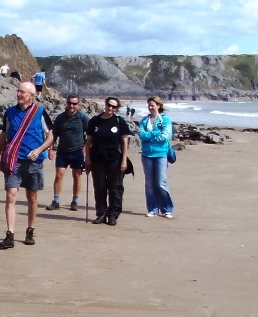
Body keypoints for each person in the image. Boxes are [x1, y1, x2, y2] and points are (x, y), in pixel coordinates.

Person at [0, 82, 54, 249]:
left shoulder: (40, 112)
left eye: (22, 92)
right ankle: (10, 234)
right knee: (11, 195)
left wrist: (40, 149)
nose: (19, 94)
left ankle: (30, 230)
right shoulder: (10, 113)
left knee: (32, 198)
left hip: (34, 162)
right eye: (18, 91)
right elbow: (4, 135)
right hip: (14, 160)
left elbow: (50, 137)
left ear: (31, 96)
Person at [84, 96, 130, 226]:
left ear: (117, 109)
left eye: (114, 107)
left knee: (115, 187)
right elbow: (88, 141)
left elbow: (125, 141)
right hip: (97, 158)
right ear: (105, 105)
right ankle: (101, 213)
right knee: (99, 186)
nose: (110, 108)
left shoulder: (119, 121)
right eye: (109, 105)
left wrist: (124, 161)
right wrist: (87, 158)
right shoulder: (95, 121)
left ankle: (113, 214)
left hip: (115, 159)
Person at [46, 94, 89, 212]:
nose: (72, 106)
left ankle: (75, 200)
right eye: (70, 103)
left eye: (74, 104)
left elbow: (90, 135)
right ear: (67, 103)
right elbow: (53, 135)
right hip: (62, 151)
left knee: (77, 176)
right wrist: (50, 149)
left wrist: (85, 149)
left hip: (77, 151)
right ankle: (56, 200)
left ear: (78, 105)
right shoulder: (60, 118)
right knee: (59, 175)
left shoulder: (82, 117)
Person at [137, 96, 175, 218]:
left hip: (161, 155)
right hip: (146, 154)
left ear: (158, 106)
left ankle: (166, 209)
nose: (150, 107)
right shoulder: (144, 120)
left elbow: (165, 135)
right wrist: (154, 134)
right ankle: (152, 208)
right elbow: (141, 135)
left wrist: (150, 137)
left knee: (160, 183)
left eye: (152, 105)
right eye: (148, 105)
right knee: (149, 183)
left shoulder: (165, 120)